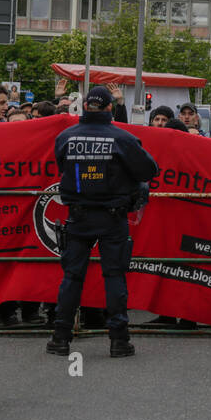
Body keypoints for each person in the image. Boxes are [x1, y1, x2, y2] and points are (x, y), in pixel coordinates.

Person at [46, 86, 158, 358]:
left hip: (78, 216)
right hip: (112, 216)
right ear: (110, 108)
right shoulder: (122, 138)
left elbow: (61, 165)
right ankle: (119, 340)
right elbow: (149, 170)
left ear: (84, 107)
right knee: (114, 276)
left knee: (72, 277)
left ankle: (61, 337)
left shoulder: (66, 137)